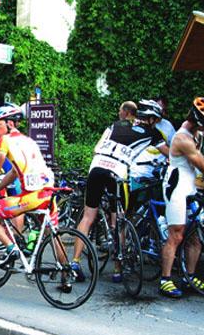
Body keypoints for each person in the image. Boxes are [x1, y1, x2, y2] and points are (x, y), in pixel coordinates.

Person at [72, 101, 167, 283]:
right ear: (152, 119)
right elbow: (171, 153)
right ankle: (117, 268)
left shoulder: (116, 124)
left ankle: (75, 262)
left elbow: (96, 148)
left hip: (96, 167)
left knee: (88, 217)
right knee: (118, 221)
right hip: (117, 172)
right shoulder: (153, 133)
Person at [0, 105, 55, 285]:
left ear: (10, 124)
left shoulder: (5, 140)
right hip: (48, 192)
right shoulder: (28, 140)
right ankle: (68, 273)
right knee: (52, 232)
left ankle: (11, 248)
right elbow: (13, 172)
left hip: (31, 196)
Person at [159, 98, 204, 298]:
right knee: (176, 234)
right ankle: (165, 279)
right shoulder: (183, 139)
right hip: (176, 186)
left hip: (191, 185)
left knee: (195, 234)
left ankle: (189, 277)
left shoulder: (196, 133)